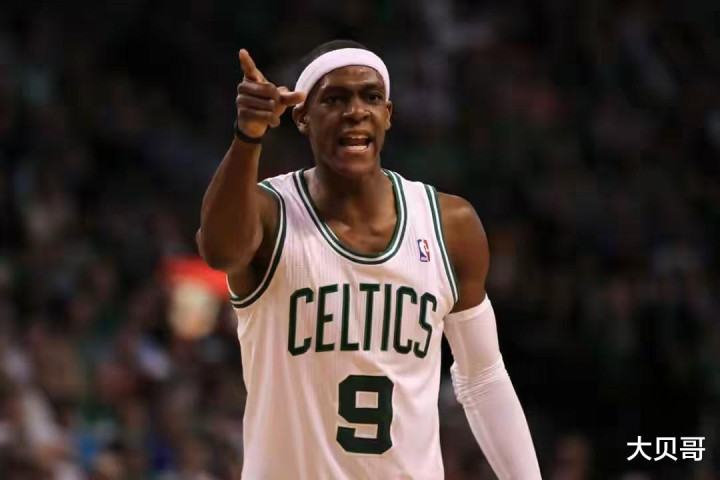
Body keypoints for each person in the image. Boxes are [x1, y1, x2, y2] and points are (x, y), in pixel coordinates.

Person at [197, 40, 541, 479]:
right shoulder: (269, 212)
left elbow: (484, 378)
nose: (355, 111)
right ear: (301, 117)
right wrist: (248, 135)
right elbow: (220, 251)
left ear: (388, 115)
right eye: (335, 99)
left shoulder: (449, 224)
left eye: (371, 97)